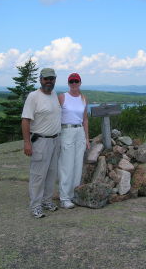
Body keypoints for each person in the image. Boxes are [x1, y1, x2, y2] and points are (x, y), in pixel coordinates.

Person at [21, 68, 61, 218]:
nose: (49, 82)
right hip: (41, 141)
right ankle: (35, 206)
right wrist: (27, 143)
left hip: (55, 140)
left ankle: (46, 201)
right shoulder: (33, 97)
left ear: (55, 80)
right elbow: (25, 120)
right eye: (46, 79)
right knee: (38, 175)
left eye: (52, 79)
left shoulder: (54, 95)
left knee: (51, 174)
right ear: (40, 79)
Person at [58, 72, 90, 209]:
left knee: (77, 166)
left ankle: (73, 195)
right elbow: (55, 116)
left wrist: (87, 138)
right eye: (71, 81)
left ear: (80, 83)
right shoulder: (62, 97)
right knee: (67, 165)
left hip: (80, 132)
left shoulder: (83, 98)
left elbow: (85, 119)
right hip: (67, 131)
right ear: (68, 83)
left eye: (76, 81)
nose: (74, 84)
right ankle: (64, 197)